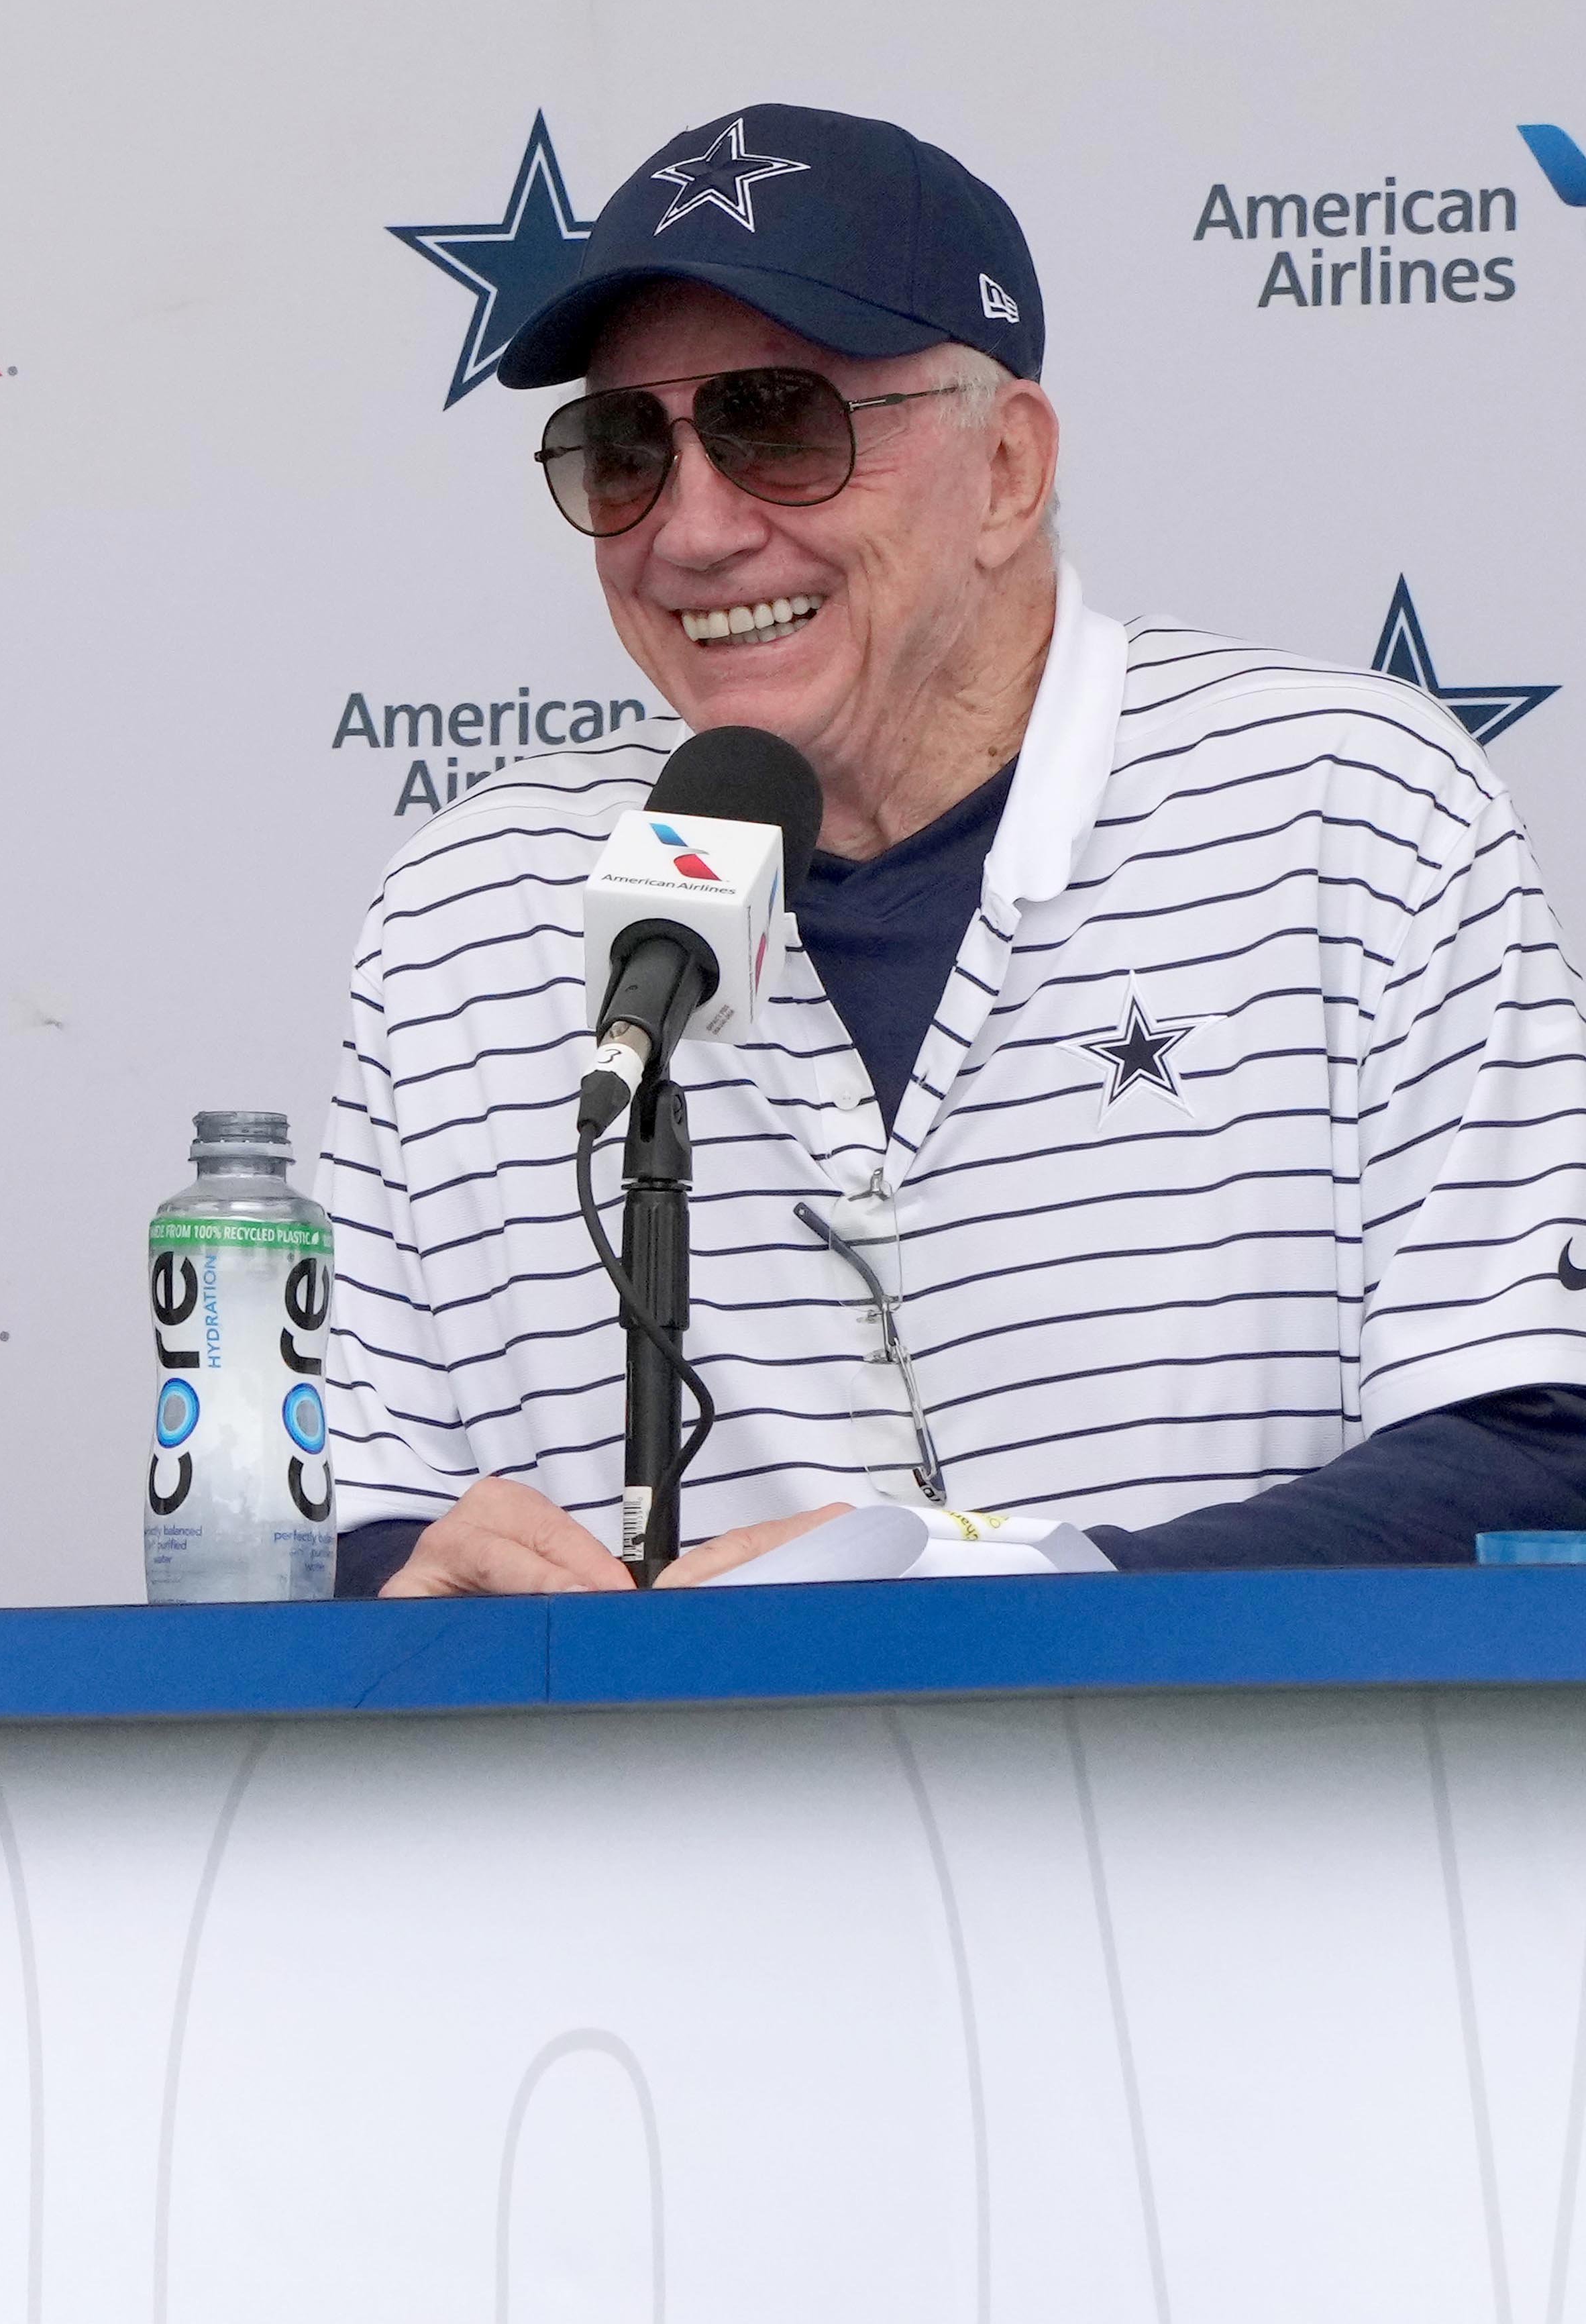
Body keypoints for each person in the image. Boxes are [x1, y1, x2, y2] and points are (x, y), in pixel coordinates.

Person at [322, 102, 1586, 1594]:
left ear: (1006, 471)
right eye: (623, 450)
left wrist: (997, 1591)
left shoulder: (1349, 812)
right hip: (666, 1827)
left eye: (776, 424)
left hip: (1232, 1812)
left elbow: (1530, 1454)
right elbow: (356, 1527)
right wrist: (424, 1595)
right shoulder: (460, 921)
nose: (695, 528)